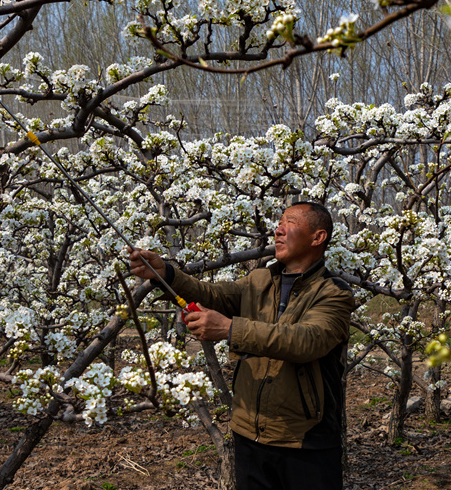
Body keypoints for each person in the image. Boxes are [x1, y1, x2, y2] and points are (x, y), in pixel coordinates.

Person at [128, 201, 355, 490]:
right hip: (249, 433)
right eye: (280, 222)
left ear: (318, 237)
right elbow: (213, 294)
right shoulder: (260, 280)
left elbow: (306, 341)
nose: (279, 229)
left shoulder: (334, 292)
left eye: (291, 222)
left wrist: (230, 328)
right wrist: (166, 274)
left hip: (305, 441)